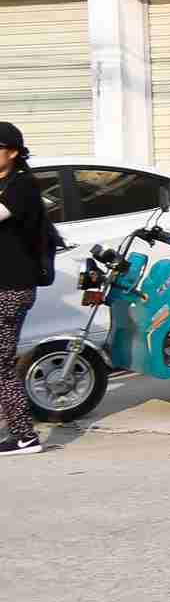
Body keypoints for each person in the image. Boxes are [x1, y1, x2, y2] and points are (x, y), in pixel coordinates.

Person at [0, 121, 53, 457]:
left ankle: (23, 436)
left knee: (1, 363)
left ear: (13, 152)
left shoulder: (22, 186)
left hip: (11, 287)